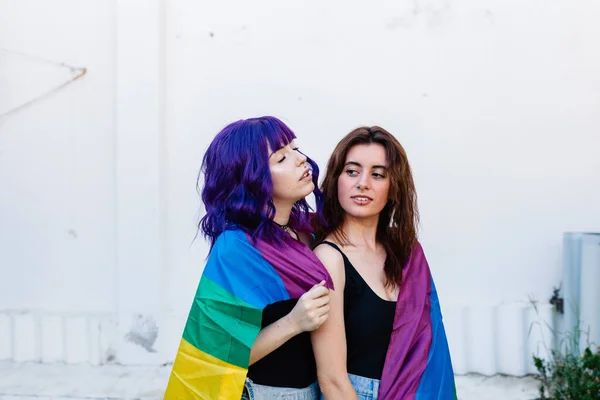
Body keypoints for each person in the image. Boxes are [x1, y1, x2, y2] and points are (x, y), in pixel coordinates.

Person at [164, 116, 333, 400]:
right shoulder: (237, 249)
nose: (301, 160)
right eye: (281, 158)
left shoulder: (308, 229)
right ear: (251, 179)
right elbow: (216, 355)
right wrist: (293, 322)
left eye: (294, 148)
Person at [312, 126, 456, 400]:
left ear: (393, 188)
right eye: (352, 171)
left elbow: (427, 349)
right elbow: (332, 380)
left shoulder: (406, 254)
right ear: (336, 180)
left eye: (377, 174)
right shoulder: (329, 258)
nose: (362, 183)